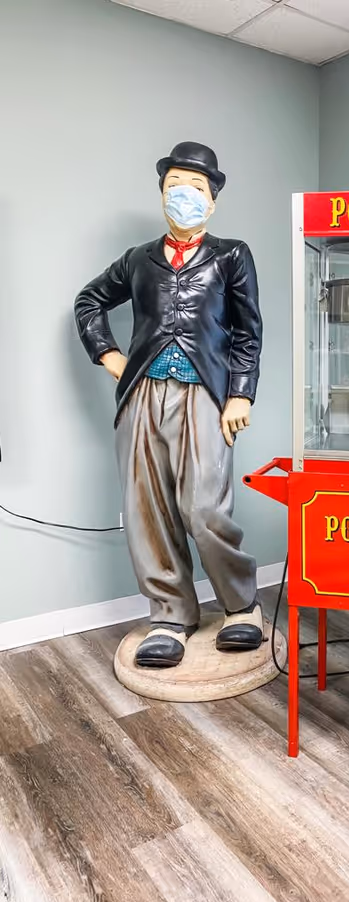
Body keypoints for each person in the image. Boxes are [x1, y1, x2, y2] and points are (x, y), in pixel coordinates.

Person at [75, 141, 263, 669]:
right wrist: (109, 355)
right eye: (176, 186)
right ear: (162, 194)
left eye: (196, 188)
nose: (185, 195)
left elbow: (249, 331)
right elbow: (89, 300)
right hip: (142, 394)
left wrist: (240, 393)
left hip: (205, 392)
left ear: (214, 199)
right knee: (146, 509)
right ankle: (169, 614)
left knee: (204, 507)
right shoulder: (138, 259)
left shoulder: (231, 255)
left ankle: (240, 605)